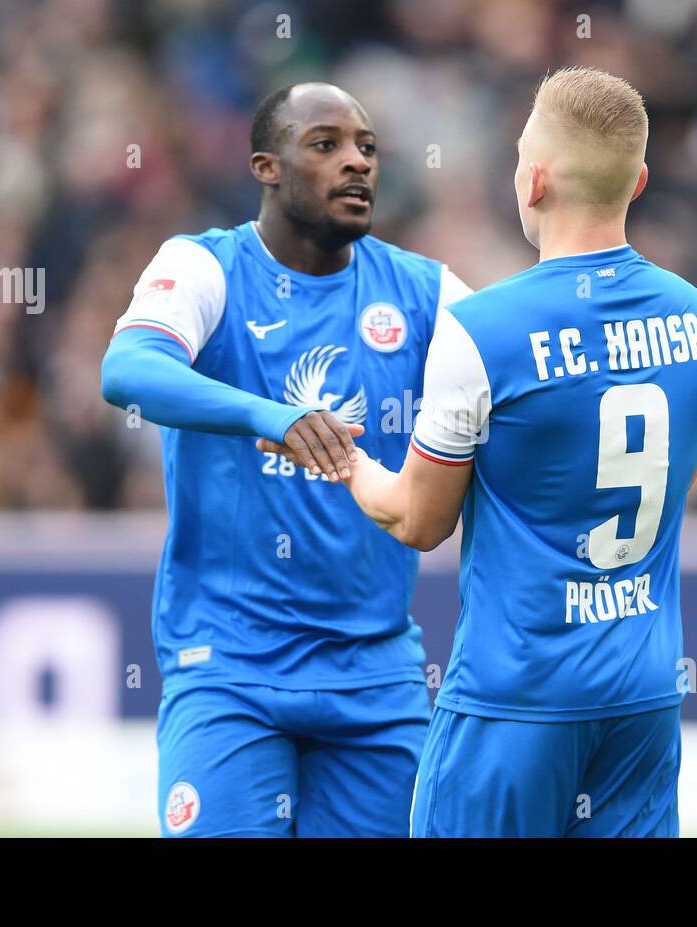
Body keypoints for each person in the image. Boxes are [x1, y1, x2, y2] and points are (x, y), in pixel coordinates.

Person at [261, 66, 697, 836]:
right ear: (638, 180)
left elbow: (418, 519)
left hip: (516, 700)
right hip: (643, 698)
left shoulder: (486, 329)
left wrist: (335, 448)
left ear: (535, 179)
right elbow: (677, 481)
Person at [100, 82, 472, 837]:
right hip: (230, 664)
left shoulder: (426, 291)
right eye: (327, 145)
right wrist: (270, 416)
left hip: (375, 671)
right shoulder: (207, 267)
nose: (357, 163)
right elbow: (127, 368)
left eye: (367, 147)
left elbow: (518, 380)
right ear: (266, 166)